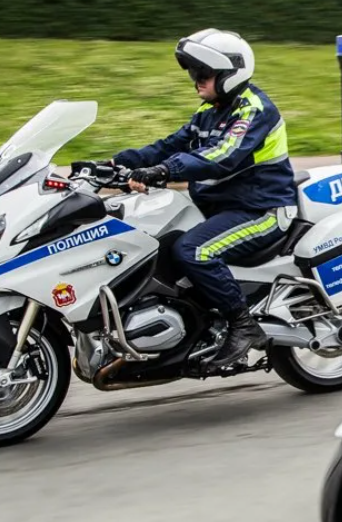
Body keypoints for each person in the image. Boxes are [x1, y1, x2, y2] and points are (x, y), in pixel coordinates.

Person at [99, 29, 296, 368]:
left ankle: (243, 325)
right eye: (193, 72)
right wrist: (114, 164)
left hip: (261, 209)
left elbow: (222, 156)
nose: (196, 80)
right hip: (218, 208)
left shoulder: (253, 110)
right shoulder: (209, 112)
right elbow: (168, 146)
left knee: (194, 251)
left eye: (204, 72)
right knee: (154, 241)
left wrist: (164, 171)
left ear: (230, 74)